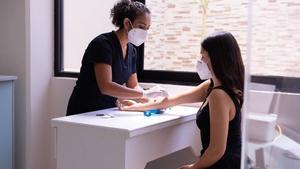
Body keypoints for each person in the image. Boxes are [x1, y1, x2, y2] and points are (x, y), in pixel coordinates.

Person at [118, 32, 245, 169]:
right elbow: (169, 101)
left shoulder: (218, 95)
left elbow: (217, 150)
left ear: (216, 59)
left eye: (203, 56)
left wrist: (192, 167)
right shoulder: (211, 86)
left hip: (224, 164)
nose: (200, 61)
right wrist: (134, 107)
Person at [66, 0, 167, 116]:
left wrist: (150, 100)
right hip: (84, 111)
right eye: (141, 26)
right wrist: (144, 94)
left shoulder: (132, 50)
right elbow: (106, 86)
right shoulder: (102, 44)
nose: (144, 32)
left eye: (147, 28)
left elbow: (133, 85)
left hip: (108, 110)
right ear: (127, 23)